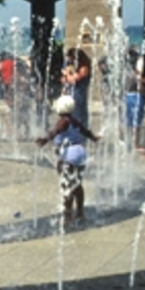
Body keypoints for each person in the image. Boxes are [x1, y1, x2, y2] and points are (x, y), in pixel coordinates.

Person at [36, 95, 99, 225]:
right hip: (80, 153)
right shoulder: (73, 120)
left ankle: (67, 215)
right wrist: (94, 138)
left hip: (69, 154)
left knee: (67, 185)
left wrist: (45, 140)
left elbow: (56, 131)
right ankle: (80, 212)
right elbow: (85, 131)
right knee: (77, 184)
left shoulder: (63, 121)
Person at [61, 48, 92, 128]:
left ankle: (80, 135)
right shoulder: (71, 67)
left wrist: (67, 74)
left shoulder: (84, 68)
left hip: (78, 94)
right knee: (68, 115)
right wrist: (65, 77)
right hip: (70, 93)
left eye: (70, 58)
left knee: (78, 114)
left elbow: (74, 79)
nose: (69, 61)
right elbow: (64, 80)